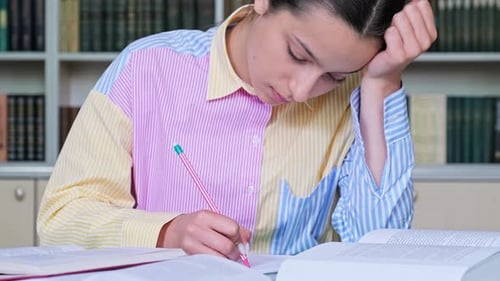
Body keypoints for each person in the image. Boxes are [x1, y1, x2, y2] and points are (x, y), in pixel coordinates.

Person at [38, 0, 436, 262]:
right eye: (297, 54)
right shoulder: (147, 69)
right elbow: (60, 219)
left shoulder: (351, 99)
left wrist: (381, 85)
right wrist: (164, 233)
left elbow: (380, 250)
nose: (300, 91)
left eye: (332, 75)